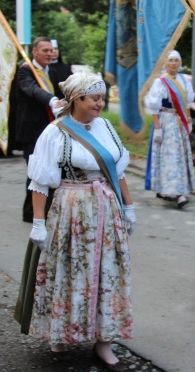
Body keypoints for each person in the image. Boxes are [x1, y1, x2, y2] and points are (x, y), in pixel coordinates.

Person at [23, 72, 136, 371]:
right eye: (95, 98)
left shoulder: (106, 127)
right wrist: (38, 223)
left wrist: (130, 206)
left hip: (106, 209)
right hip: (72, 210)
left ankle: (104, 342)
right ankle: (60, 332)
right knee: (69, 270)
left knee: (107, 272)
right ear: (77, 99)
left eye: (102, 97)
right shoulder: (55, 132)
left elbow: (119, 170)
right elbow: (40, 182)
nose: (101, 103)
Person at [15, 37, 64, 223]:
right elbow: (33, 90)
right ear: (34, 52)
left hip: (51, 129)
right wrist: (52, 101)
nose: (49, 54)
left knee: (51, 170)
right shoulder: (26, 71)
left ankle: (47, 209)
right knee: (36, 172)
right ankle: (31, 214)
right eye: (45, 50)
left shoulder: (52, 71)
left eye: (51, 50)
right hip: (31, 131)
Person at [144, 50, 195, 208]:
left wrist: (189, 120)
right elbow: (154, 106)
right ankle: (178, 194)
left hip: (179, 123)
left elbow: (186, 103)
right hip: (166, 121)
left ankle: (172, 189)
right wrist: (158, 128)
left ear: (180, 63)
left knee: (179, 157)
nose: (173, 63)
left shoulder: (184, 80)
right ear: (165, 63)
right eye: (170, 60)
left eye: (176, 60)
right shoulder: (160, 82)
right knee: (169, 157)